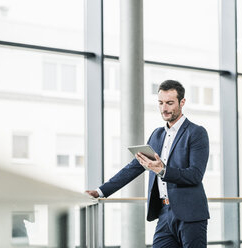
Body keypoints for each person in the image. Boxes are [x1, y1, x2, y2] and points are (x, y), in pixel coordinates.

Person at [86, 80, 210, 248]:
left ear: (182, 102)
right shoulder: (156, 135)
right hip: (164, 213)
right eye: (160, 103)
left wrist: (163, 171)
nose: (164, 108)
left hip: (191, 215)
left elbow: (195, 175)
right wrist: (100, 191)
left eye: (170, 103)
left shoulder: (196, 133)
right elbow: (134, 167)